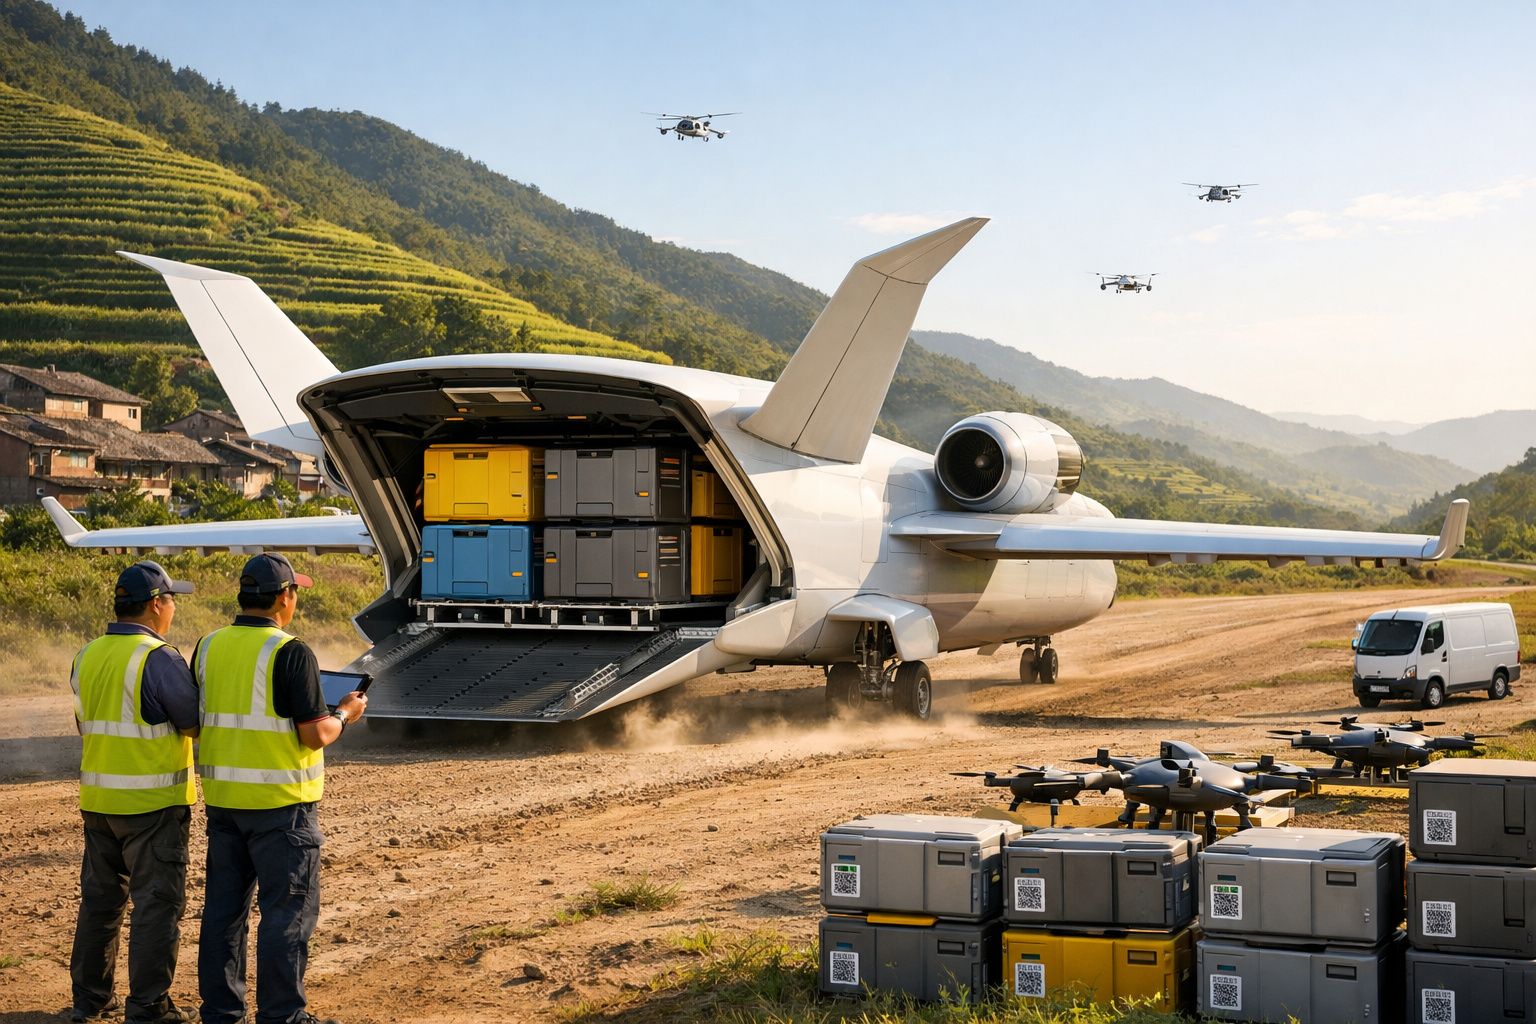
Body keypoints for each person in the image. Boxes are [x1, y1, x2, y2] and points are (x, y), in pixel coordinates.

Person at [194, 553, 366, 1024]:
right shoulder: (291, 652)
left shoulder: (207, 647)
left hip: (225, 804)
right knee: (285, 918)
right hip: (282, 809)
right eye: (295, 594)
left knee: (223, 916)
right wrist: (346, 713)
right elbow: (315, 734)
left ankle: (221, 1014)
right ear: (284, 597)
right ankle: (282, 1017)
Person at [69, 560, 199, 1024]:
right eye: (171, 600)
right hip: (152, 805)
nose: (173, 609)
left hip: (99, 802)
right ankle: (148, 1006)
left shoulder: (87, 654)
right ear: (154, 605)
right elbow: (191, 722)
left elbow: (85, 722)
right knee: (156, 909)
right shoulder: (159, 657)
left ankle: (89, 1000)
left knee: (100, 905)